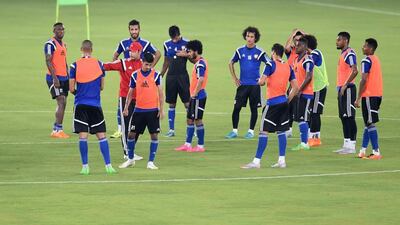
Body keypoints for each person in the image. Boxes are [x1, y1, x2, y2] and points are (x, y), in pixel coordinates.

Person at [241, 43, 298, 169]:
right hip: (283, 103)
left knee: (263, 131)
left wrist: (259, 81)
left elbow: (262, 81)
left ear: (273, 53)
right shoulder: (288, 66)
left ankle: (256, 162)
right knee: (281, 131)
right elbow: (296, 87)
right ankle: (282, 161)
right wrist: (287, 100)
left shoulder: (270, 64)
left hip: (272, 103)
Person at [69, 40, 116, 175]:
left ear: (81, 49)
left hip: (81, 105)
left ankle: (85, 167)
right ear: (92, 49)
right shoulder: (100, 64)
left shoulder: (74, 65)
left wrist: (80, 93)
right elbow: (102, 86)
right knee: (102, 136)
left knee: (83, 136)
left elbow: (71, 88)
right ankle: (108, 166)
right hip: (95, 105)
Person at [110, 19, 161, 139]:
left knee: (137, 106)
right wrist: (121, 71)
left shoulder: (145, 43)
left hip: (140, 80)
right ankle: (120, 129)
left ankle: (132, 133)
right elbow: (115, 56)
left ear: (139, 30)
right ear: (129, 30)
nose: (134, 31)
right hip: (127, 80)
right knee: (122, 104)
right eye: (132, 29)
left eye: (136, 29)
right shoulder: (123, 43)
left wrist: (150, 68)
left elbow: (158, 53)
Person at [119, 52, 164, 170]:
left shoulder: (156, 75)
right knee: (131, 134)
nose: (148, 67)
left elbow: (160, 93)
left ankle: (151, 162)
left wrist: (161, 109)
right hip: (139, 110)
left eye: (150, 65)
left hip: (153, 110)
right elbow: (130, 93)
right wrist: (126, 107)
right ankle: (130, 159)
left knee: (154, 136)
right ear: (142, 62)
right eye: (146, 64)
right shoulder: (135, 75)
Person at [226, 26, 269, 139]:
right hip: (243, 85)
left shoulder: (260, 52)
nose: (249, 39)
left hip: (255, 86)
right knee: (236, 108)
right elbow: (230, 63)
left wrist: (262, 79)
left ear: (255, 38)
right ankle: (234, 131)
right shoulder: (240, 51)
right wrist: (235, 78)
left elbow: (270, 64)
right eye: (248, 36)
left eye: (252, 37)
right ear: (245, 36)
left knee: (253, 109)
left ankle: (251, 131)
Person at [103, 42, 143, 161]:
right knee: (126, 125)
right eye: (130, 50)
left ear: (139, 52)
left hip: (140, 99)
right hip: (126, 98)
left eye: (133, 51)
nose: (130, 53)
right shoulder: (123, 63)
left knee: (138, 126)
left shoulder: (143, 64)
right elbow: (107, 66)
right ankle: (127, 152)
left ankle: (131, 150)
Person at [175, 40, 208, 152]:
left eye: (190, 51)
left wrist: (194, 93)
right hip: (195, 96)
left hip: (198, 96)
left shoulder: (200, 64)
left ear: (196, 51)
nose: (188, 53)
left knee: (198, 120)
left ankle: (200, 146)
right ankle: (187, 144)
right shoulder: (199, 62)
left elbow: (201, 79)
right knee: (190, 119)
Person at [355, 38, 383, 160]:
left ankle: (376, 152)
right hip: (377, 94)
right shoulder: (376, 59)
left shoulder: (366, 60)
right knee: (368, 123)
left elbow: (364, 79)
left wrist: (358, 98)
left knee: (370, 123)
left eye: (365, 46)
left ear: (370, 49)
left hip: (369, 95)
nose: (362, 47)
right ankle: (362, 150)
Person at [160, 25, 190, 137]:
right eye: (173, 38)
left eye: (176, 38)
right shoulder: (166, 44)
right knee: (171, 104)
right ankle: (171, 130)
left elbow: (194, 59)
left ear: (179, 34)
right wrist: (161, 76)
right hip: (171, 77)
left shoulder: (187, 43)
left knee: (187, 103)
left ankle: (192, 129)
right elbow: (166, 62)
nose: (174, 40)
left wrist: (186, 54)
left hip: (183, 77)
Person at [334, 32, 358, 154]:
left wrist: (345, 85)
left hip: (348, 89)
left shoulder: (349, 53)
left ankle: (352, 146)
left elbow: (355, 70)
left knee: (349, 116)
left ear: (346, 41)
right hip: (342, 90)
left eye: (339, 40)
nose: (337, 42)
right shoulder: (343, 54)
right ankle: (346, 144)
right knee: (343, 117)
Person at [44, 22, 69, 138]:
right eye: (58, 30)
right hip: (54, 78)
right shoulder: (50, 44)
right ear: (54, 31)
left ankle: (57, 128)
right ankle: (57, 130)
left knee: (64, 102)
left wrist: (69, 76)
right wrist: (55, 78)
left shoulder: (64, 44)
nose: (61, 31)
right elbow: (48, 61)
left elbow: (64, 62)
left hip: (64, 78)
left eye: (62, 29)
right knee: (61, 100)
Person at [303, 34, 329, 146]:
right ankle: (312, 136)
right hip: (313, 88)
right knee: (311, 112)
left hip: (319, 87)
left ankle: (315, 138)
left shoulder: (315, 53)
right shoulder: (312, 54)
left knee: (315, 112)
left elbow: (308, 65)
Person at [291, 37, 314, 151]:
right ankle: (305, 141)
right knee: (300, 118)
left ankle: (305, 144)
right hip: (298, 94)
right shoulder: (296, 60)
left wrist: (299, 90)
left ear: (305, 47)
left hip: (306, 94)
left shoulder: (308, 60)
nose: (296, 47)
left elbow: (309, 76)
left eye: (299, 45)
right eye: (296, 45)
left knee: (302, 118)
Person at [284, 29, 305, 137]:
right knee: (289, 106)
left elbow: (311, 45)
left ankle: (307, 134)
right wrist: (292, 34)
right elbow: (286, 47)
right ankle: (289, 129)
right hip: (292, 84)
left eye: (299, 40)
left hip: (303, 84)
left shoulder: (304, 52)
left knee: (301, 109)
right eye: (295, 40)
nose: (297, 42)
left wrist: (304, 35)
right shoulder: (291, 50)